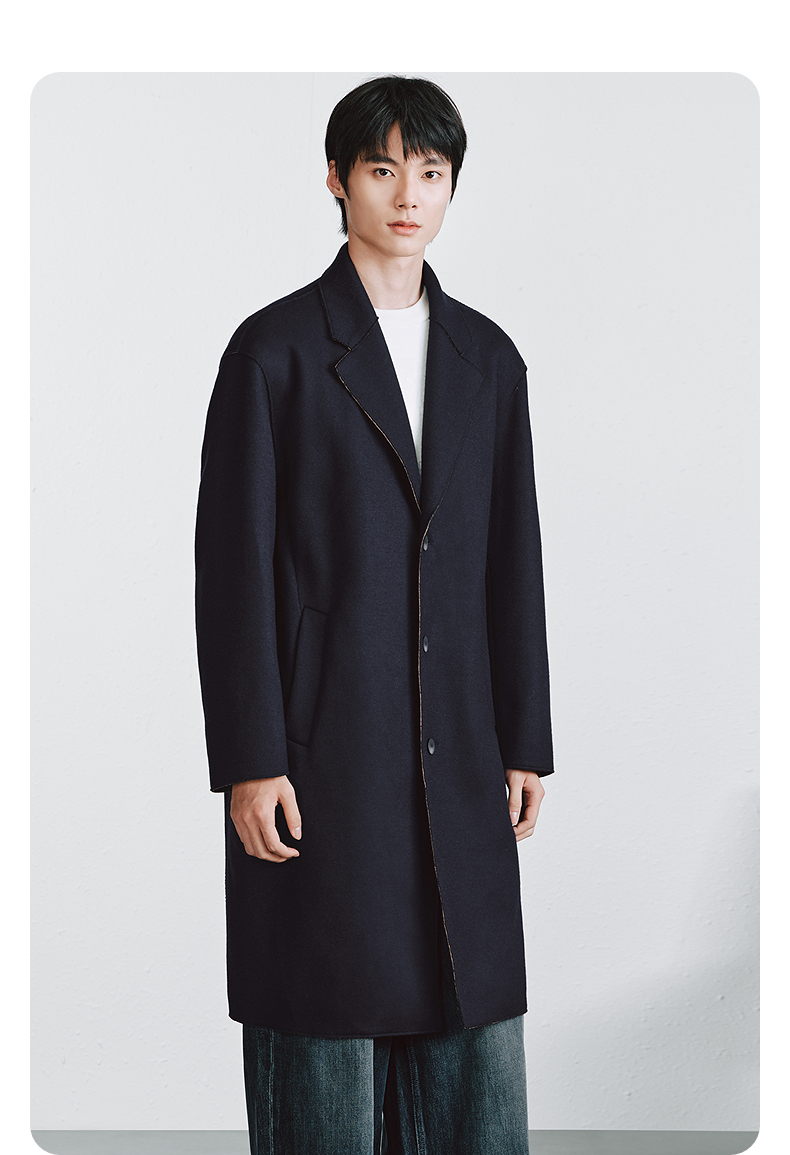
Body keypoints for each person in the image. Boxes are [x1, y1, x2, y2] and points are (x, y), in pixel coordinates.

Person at [195, 74, 554, 1155]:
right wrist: (251, 759)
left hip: (462, 747)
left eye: (430, 172)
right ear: (337, 180)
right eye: (384, 168)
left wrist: (523, 739)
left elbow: (512, 560)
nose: (408, 195)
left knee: (473, 1050)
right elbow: (231, 572)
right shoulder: (273, 353)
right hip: (323, 755)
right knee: (323, 1046)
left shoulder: (487, 358)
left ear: (451, 187)